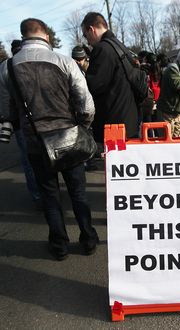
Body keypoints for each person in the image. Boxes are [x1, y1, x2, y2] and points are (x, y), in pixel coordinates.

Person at [1, 18, 99, 260]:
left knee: (49, 195)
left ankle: (59, 244)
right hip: (69, 138)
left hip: (36, 143)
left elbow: (6, 110)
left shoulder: (7, 67)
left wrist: (21, 126)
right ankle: (88, 239)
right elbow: (86, 104)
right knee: (78, 194)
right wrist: (82, 127)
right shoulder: (64, 61)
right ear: (45, 34)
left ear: (24, 36)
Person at [81, 12, 139, 144]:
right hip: (129, 117)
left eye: (85, 35)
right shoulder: (119, 45)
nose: (87, 40)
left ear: (92, 29)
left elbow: (94, 85)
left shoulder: (102, 49)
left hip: (113, 122)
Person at [0, 40, 41, 205]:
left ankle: (37, 194)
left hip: (19, 122)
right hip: (42, 119)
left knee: (28, 160)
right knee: (46, 157)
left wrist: (6, 119)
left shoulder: (6, 67)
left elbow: (4, 99)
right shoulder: (35, 61)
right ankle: (50, 191)